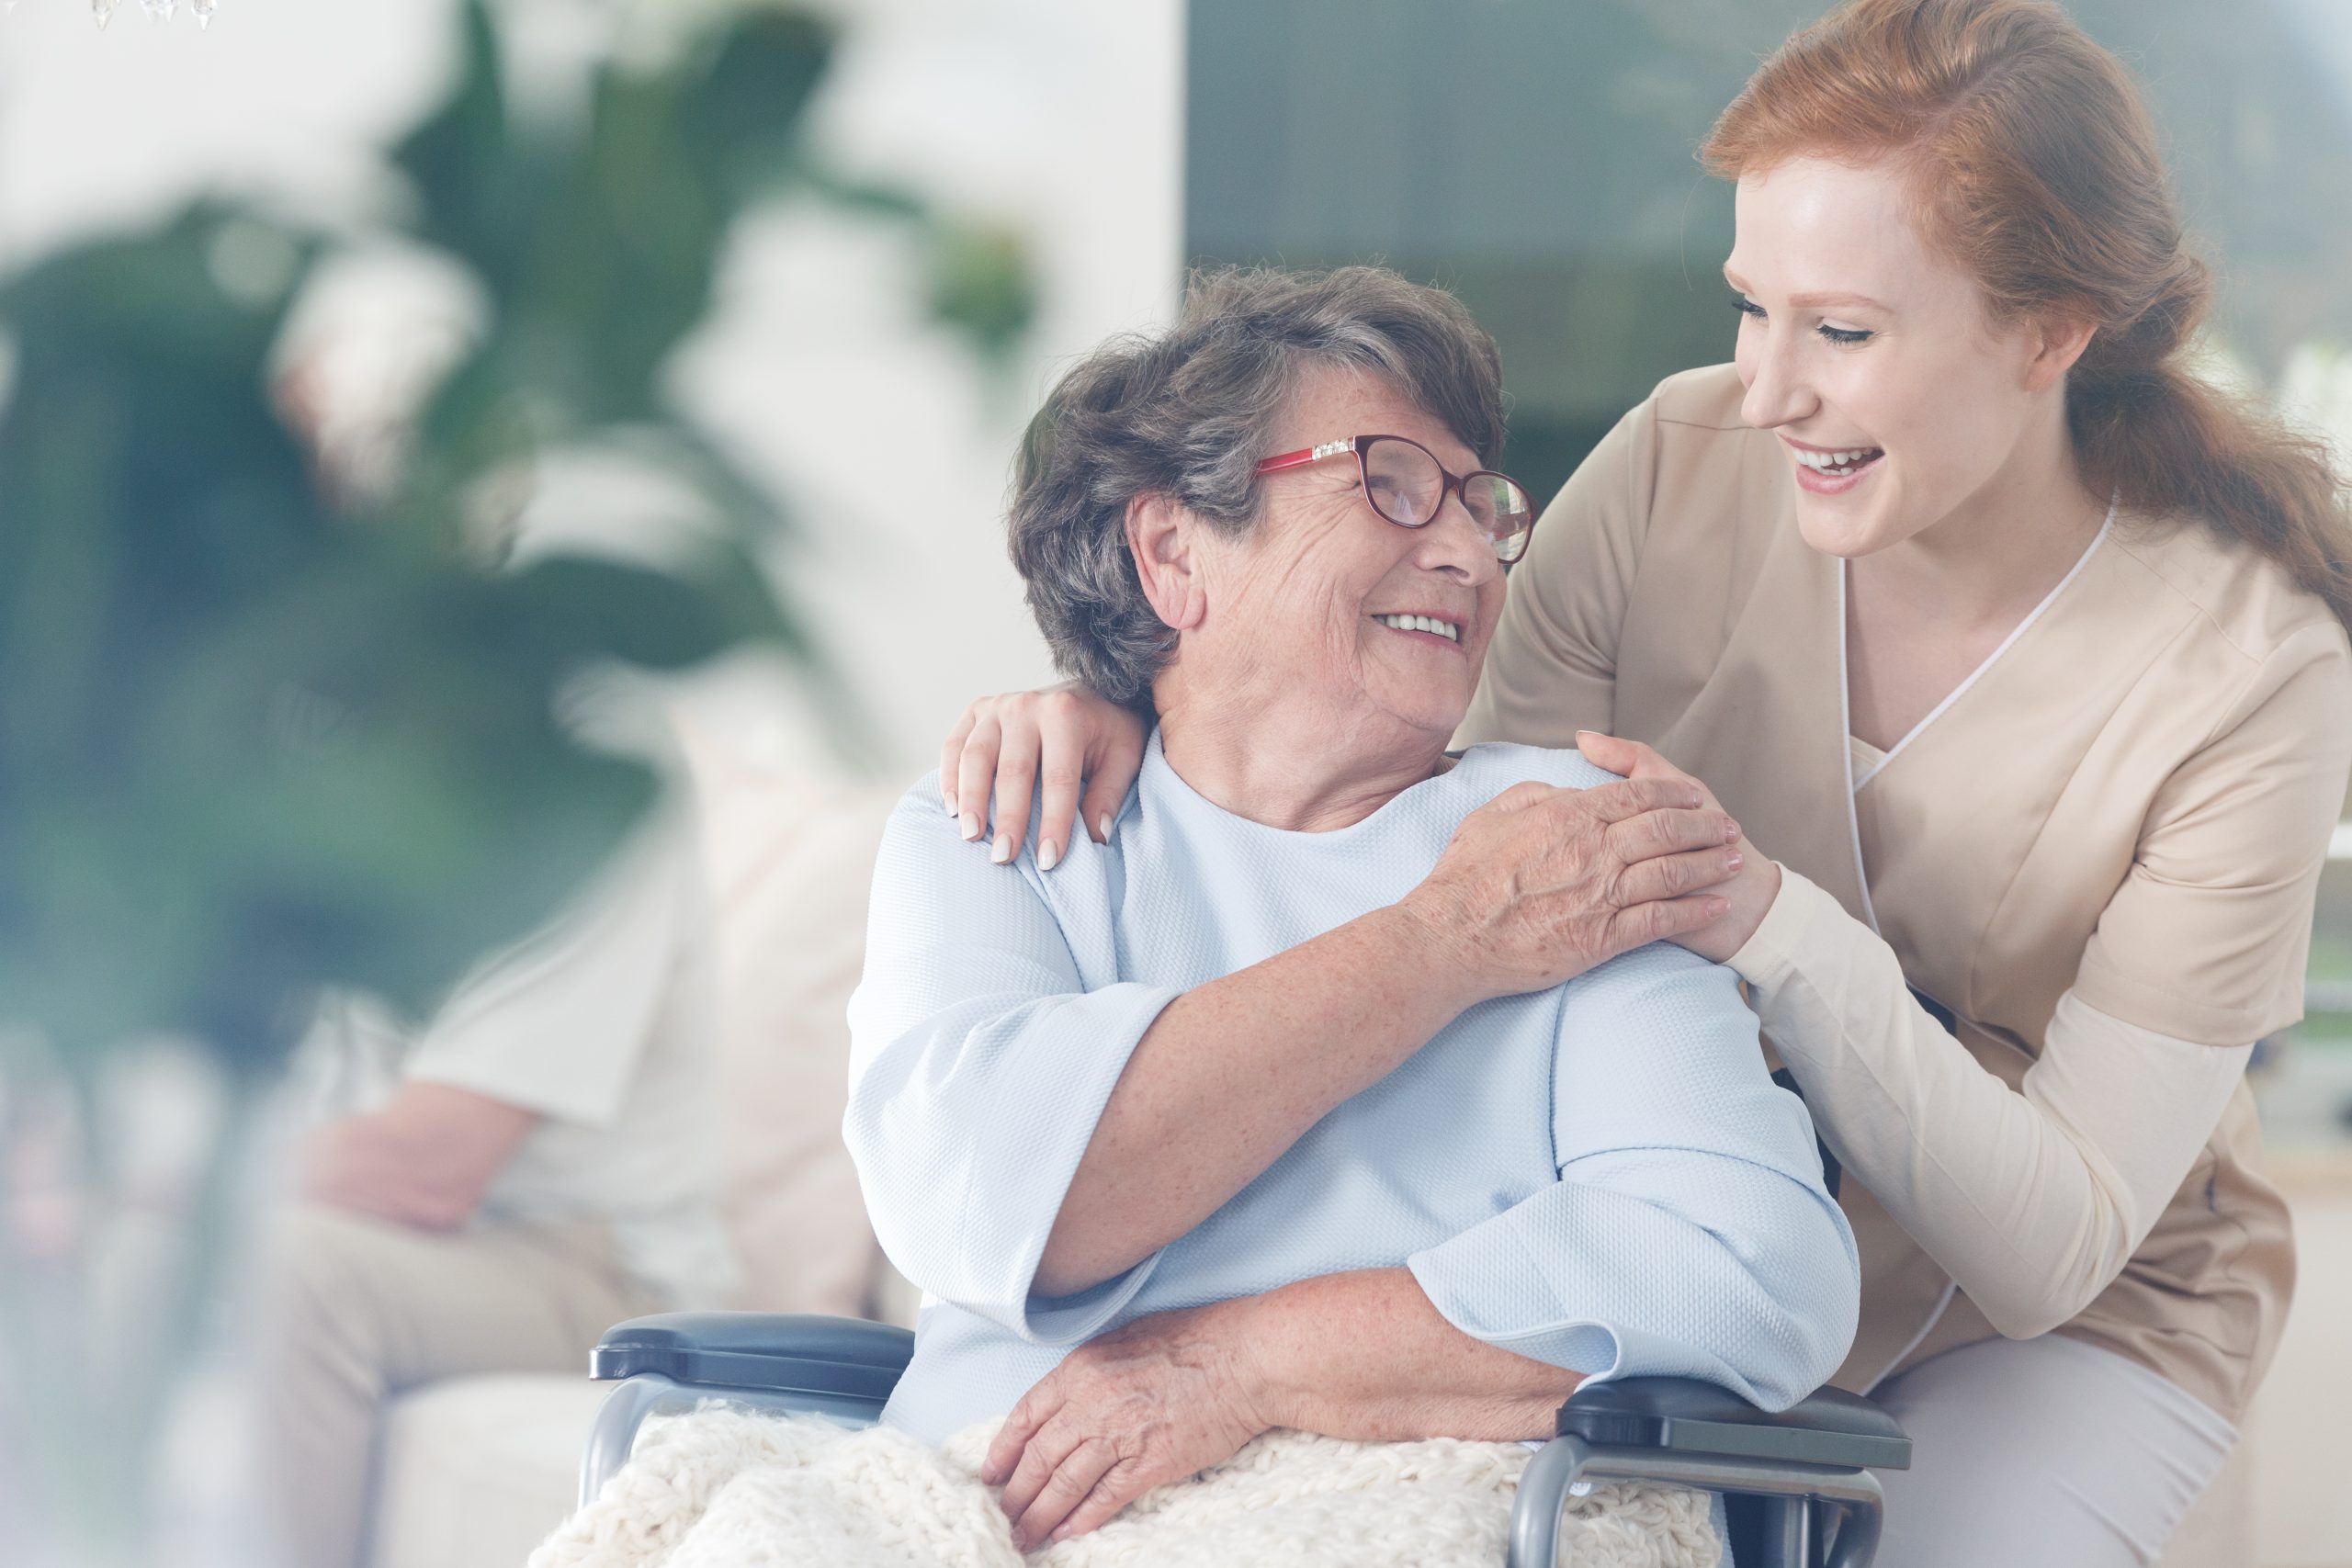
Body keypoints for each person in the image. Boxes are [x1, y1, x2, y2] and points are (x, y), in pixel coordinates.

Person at [934, 3, 2352, 1562]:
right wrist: (1142, 692)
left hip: (2052, 1309)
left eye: (1846, 332)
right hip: (1678, 1215)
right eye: (1752, 307)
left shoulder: (2253, 670)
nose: (1765, 389)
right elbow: (1446, 814)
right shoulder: (1684, 461)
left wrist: (1764, 917)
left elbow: (2050, 1245)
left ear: (2048, 333)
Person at [844, 264, 1861, 1554]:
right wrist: (1449, 942)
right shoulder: (1009, 821)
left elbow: (1750, 1263)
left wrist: (1246, 1365)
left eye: (1480, 503)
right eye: (1389, 481)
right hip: (982, 1502)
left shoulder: (1564, 844)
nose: (1463, 550)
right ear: (1173, 553)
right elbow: (983, 1198)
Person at [252, 803, 738, 1568]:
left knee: (289, 1270)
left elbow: (428, 1165)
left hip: (607, 1271)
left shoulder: (581, 779)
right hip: (430, 1242)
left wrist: (181, 1203)